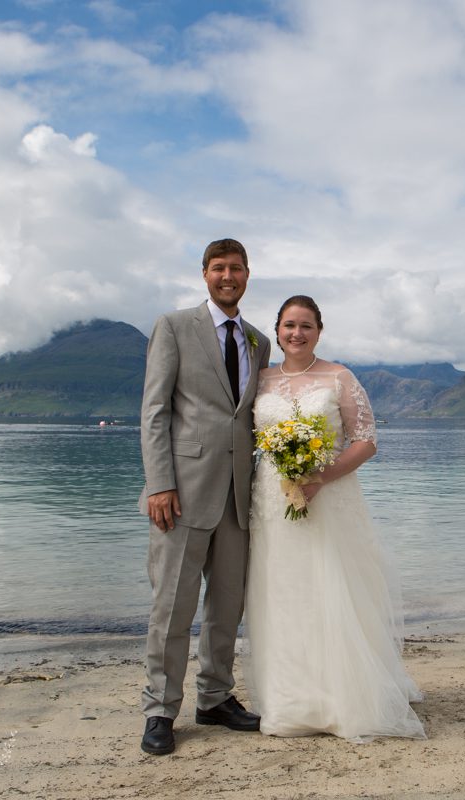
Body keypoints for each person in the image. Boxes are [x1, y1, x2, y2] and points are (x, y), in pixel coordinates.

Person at [243, 295, 425, 742]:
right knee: (281, 592)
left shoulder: (339, 377)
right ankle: (290, 698)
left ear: (319, 331)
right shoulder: (259, 379)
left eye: (306, 326)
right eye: (288, 325)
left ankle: (341, 695)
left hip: (327, 497)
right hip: (272, 500)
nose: (296, 334)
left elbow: (365, 440)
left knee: (328, 587)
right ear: (278, 330)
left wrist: (320, 477)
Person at [138, 238, 272, 756]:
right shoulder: (173, 328)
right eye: (219, 268)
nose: (228, 276)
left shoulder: (259, 341)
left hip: (240, 498)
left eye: (236, 268)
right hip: (182, 493)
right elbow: (155, 412)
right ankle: (160, 710)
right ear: (204, 274)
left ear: (247, 275)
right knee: (171, 607)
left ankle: (215, 697)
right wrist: (160, 483)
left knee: (226, 606)